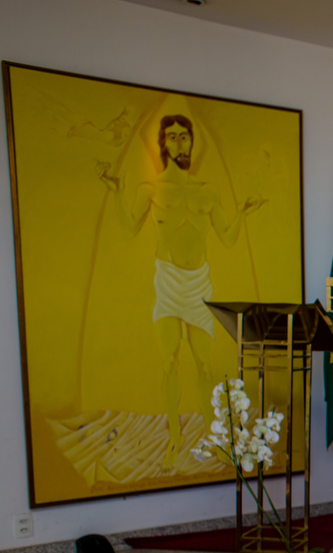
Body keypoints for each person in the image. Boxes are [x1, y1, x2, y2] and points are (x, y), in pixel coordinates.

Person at [98, 114, 265, 467]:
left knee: (204, 365)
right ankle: (174, 439)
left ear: (191, 142)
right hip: (168, 282)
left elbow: (227, 238)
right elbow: (129, 228)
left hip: (199, 284)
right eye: (172, 137)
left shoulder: (208, 191)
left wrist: (241, 214)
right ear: (163, 143)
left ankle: (214, 438)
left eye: (184, 136)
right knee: (170, 360)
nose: (180, 142)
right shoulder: (151, 189)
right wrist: (116, 194)